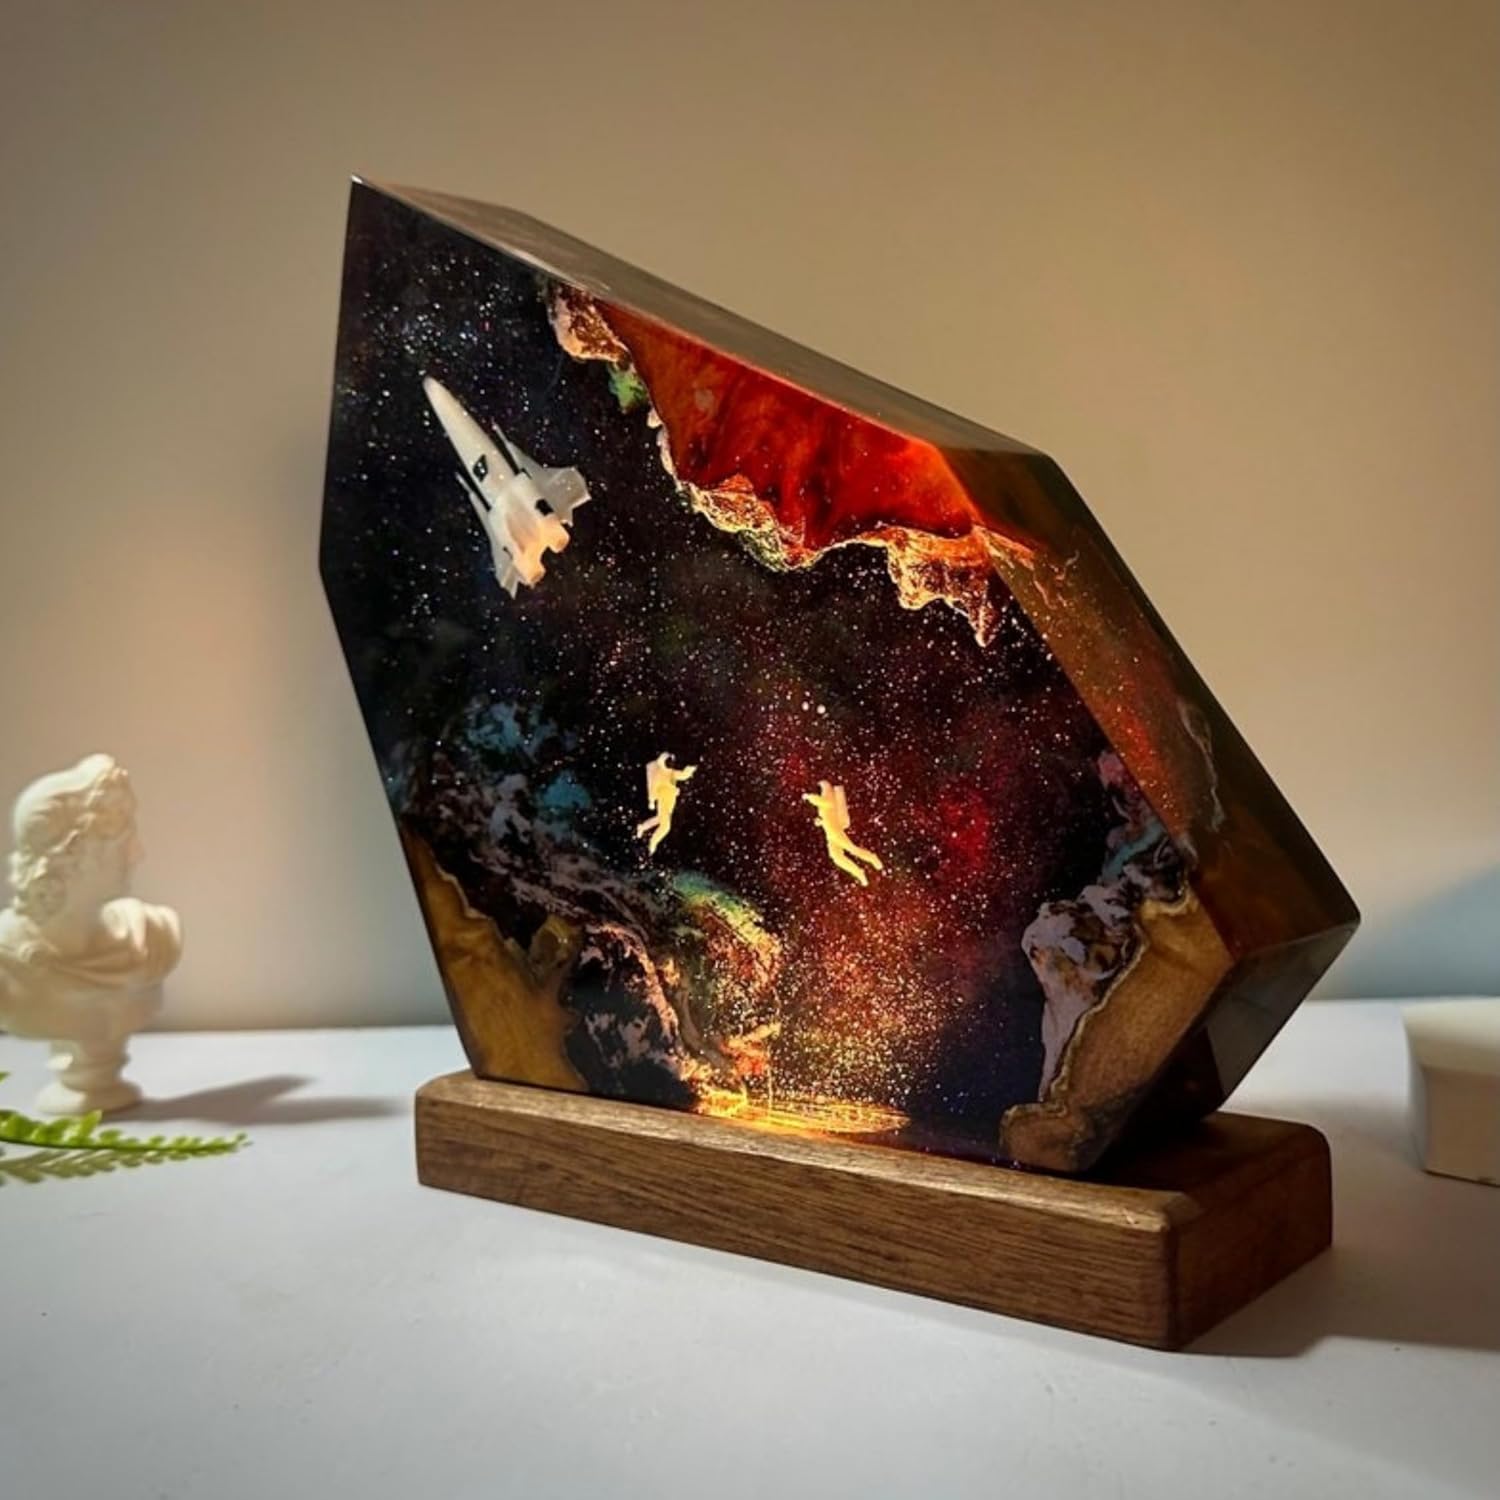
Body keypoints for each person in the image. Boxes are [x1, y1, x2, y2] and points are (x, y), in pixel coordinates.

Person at [804, 781, 883, 886]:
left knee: (852, 849)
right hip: (830, 835)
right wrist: (821, 822)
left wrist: (810, 797)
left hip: (836, 833)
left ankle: (872, 858)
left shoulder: (829, 800)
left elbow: (823, 803)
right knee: (837, 857)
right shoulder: (825, 804)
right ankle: (858, 872)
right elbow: (828, 816)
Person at [634, 752, 697, 856]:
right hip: (663, 801)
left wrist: (691, 768)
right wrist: (651, 801)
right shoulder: (660, 774)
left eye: (672, 762)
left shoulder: (672, 773)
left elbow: (683, 775)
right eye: (669, 762)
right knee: (666, 826)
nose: (671, 764)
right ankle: (652, 843)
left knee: (659, 819)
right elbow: (653, 788)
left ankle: (642, 827)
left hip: (670, 802)